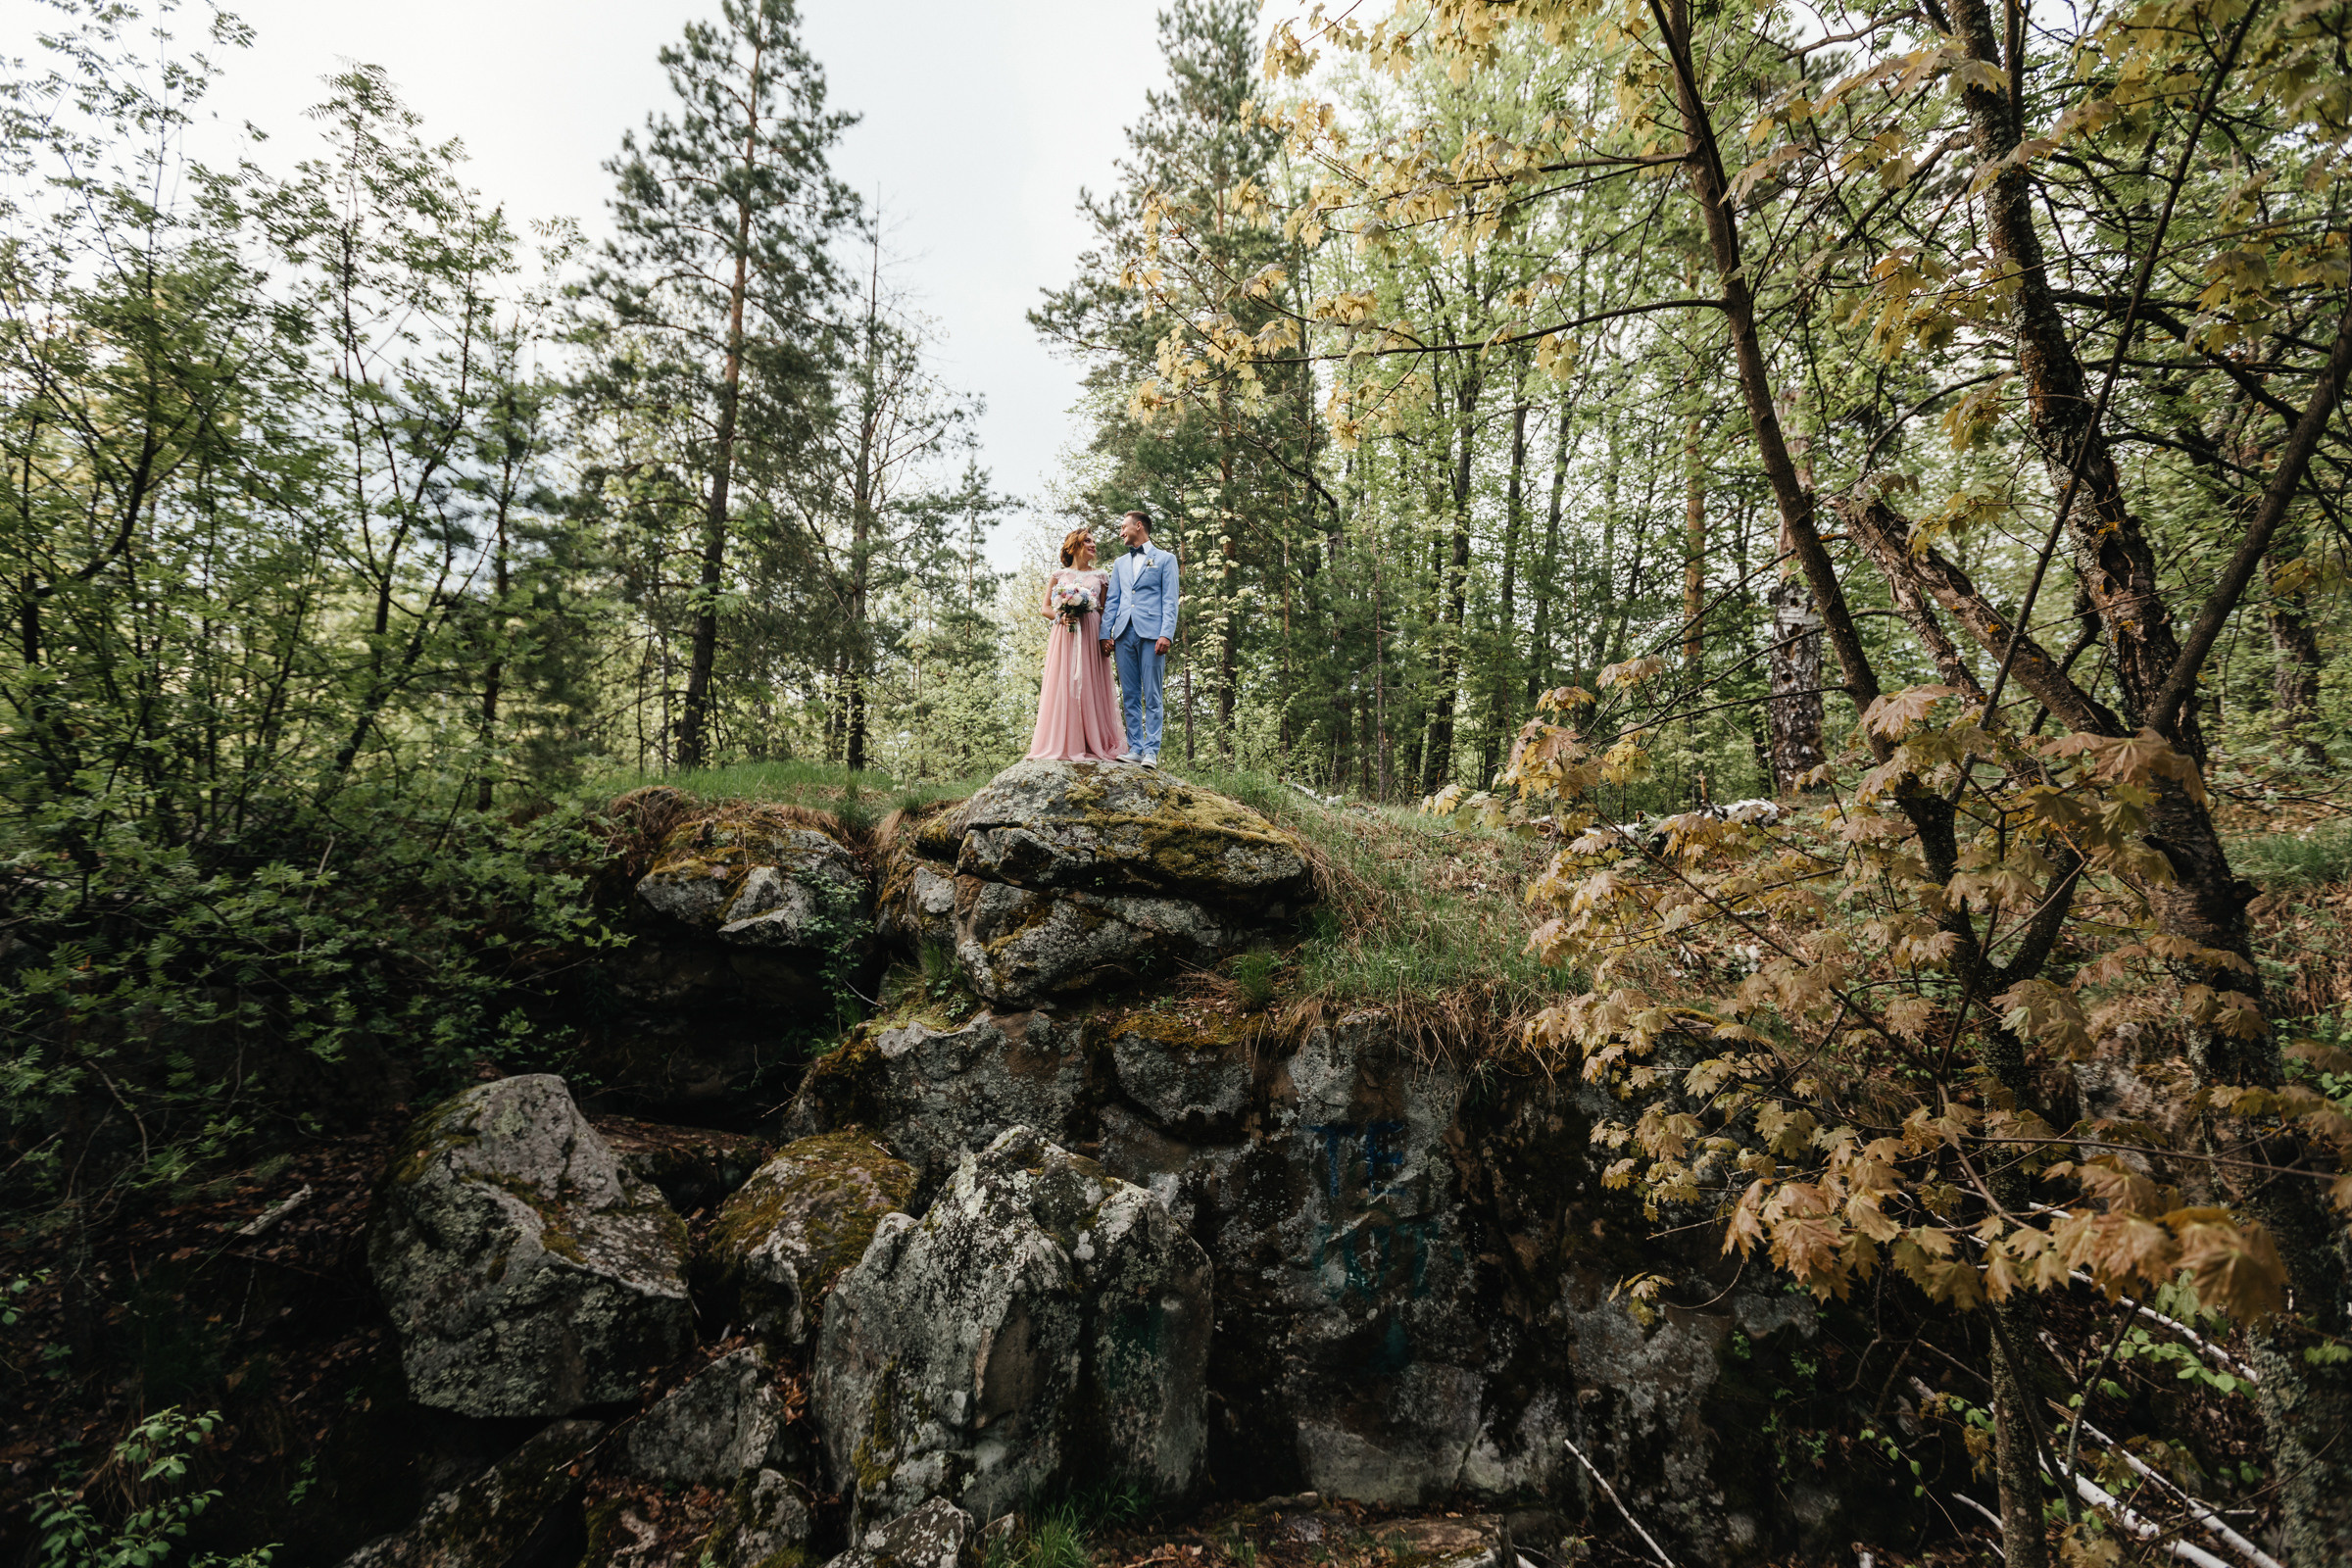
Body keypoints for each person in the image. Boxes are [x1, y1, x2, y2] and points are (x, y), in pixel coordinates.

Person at [1024, 527, 1126, 762]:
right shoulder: (1059, 575)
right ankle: (1065, 741)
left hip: (1091, 634)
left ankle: (1094, 741)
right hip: (1065, 634)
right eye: (1087, 541)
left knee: (1090, 682)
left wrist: (1105, 637)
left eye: (1093, 541)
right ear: (1075, 545)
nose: (1093, 545)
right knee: (1065, 682)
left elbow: (1104, 610)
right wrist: (1062, 616)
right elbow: (1045, 608)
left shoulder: (1101, 575)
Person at [1099, 509, 1178, 767]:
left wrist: (1166, 632)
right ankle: (1135, 748)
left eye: (1124, 527)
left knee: (1153, 694)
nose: (1121, 532)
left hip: (1153, 634)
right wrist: (1104, 634)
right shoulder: (1120, 563)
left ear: (1139, 526)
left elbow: (1170, 600)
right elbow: (1112, 601)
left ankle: (1151, 751)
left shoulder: (1166, 559)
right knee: (1130, 694)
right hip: (1123, 634)